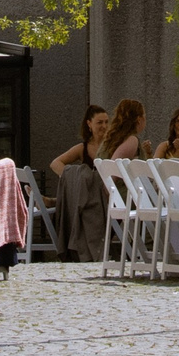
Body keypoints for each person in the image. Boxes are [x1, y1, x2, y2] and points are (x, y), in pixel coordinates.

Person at [48, 105, 108, 261]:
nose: (104, 126)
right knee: (81, 177)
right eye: (99, 122)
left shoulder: (112, 147)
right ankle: (55, 200)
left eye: (106, 122)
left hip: (105, 200)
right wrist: (74, 178)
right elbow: (56, 163)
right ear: (89, 124)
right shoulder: (83, 148)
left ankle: (54, 201)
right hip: (87, 202)